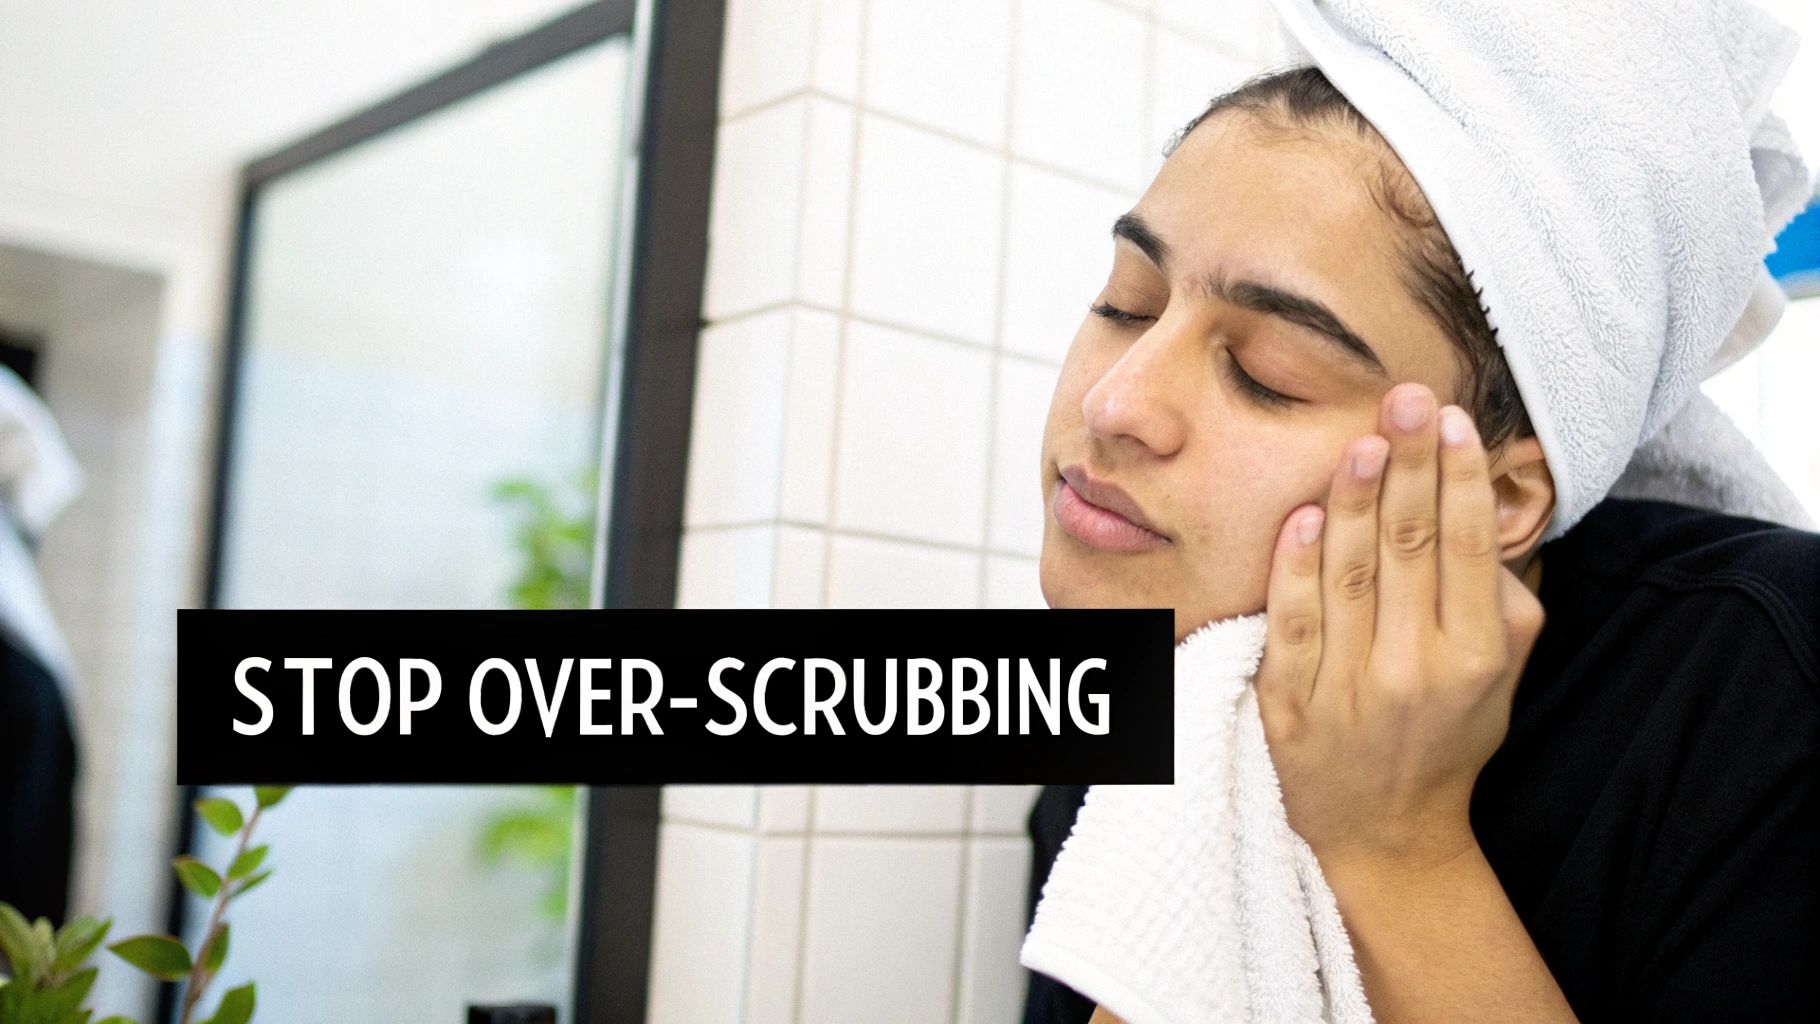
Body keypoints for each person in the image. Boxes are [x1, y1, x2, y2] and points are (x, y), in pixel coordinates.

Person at [1022, 65, 1820, 1022]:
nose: (1114, 405)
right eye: (1127, 304)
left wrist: (1391, 843)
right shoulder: (1141, 697)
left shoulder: (1760, 690)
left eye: (1269, 375)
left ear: (1507, 495)